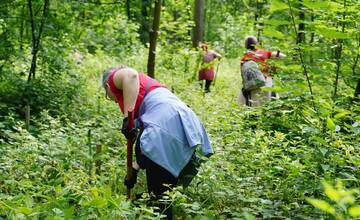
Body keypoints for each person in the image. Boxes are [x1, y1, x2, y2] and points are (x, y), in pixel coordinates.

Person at [102, 66, 213, 219]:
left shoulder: (114, 80)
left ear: (107, 87)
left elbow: (131, 74)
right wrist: (134, 169)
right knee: (163, 195)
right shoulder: (148, 96)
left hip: (167, 127)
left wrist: (128, 118)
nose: (113, 101)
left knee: (160, 201)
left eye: (108, 96)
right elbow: (146, 143)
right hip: (185, 126)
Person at [237, 36, 286, 107]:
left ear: (246, 45)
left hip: (253, 85)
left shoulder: (244, 57)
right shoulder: (265, 52)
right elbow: (282, 56)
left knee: (253, 106)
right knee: (268, 104)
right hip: (266, 82)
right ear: (256, 44)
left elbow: (243, 75)